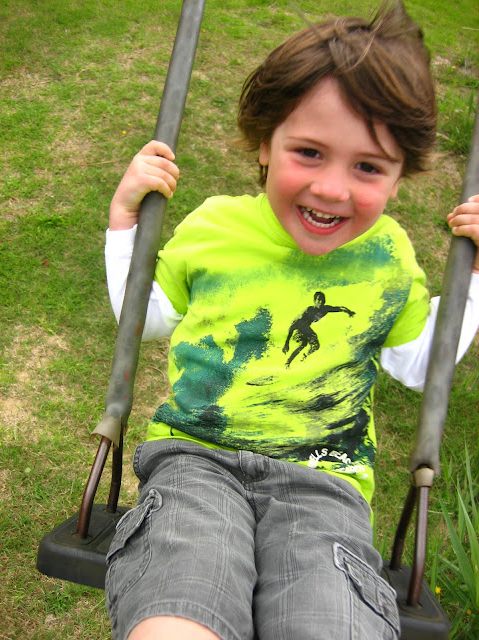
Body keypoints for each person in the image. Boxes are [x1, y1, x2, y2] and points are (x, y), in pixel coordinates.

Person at [104, 2, 479, 639]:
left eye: (367, 166)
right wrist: (124, 224)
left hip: (324, 481)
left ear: (399, 177)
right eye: (309, 152)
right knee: (178, 606)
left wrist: (473, 279)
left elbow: (421, 367)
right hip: (196, 459)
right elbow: (143, 322)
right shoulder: (215, 227)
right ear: (264, 143)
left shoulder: (388, 258)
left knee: (328, 621)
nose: (332, 188)